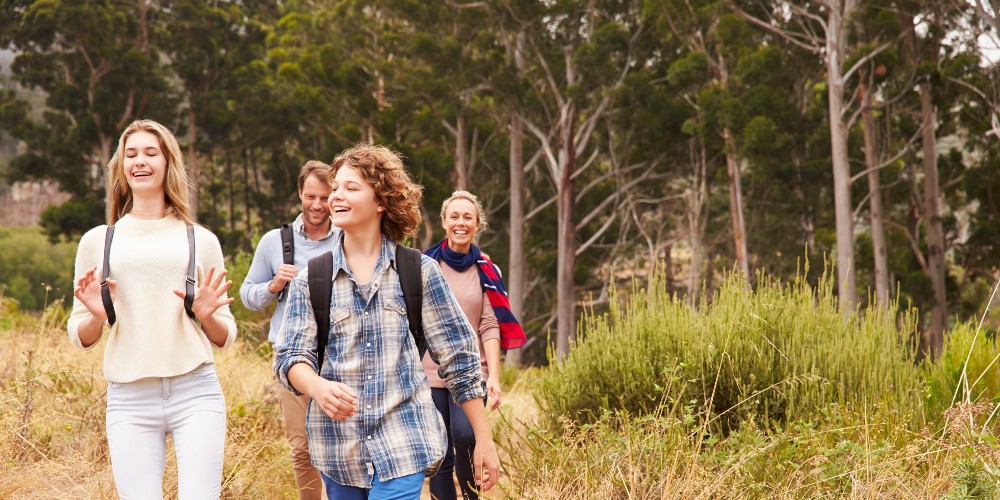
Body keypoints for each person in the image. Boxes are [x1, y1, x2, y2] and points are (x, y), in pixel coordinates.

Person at [274, 144, 501, 500]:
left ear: (380, 201)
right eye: (336, 188)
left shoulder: (419, 272)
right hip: (338, 449)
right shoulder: (311, 279)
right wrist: (317, 387)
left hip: (403, 442)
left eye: (351, 187)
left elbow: (460, 358)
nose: (336, 196)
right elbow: (289, 357)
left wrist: (483, 440)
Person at [68, 119, 237, 499]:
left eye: (150, 153)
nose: (139, 162)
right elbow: (80, 336)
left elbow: (226, 336)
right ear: (121, 167)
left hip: (195, 389)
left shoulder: (200, 239)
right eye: (131, 154)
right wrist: (96, 315)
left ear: (168, 162)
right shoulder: (99, 241)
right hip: (129, 396)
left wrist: (208, 314)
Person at [239, 160, 338, 500]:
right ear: (299, 193)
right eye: (310, 196)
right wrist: (273, 285)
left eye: (324, 197)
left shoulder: (347, 239)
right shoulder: (273, 242)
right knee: (301, 447)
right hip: (290, 357)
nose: (316, 205)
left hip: (340, 355)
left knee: (344, 446)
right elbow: (248, 296)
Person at [423, 190, 526, 500]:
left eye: (467, 217)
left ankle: (471, 496)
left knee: (466, 434)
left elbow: (490, 325)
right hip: (429, 370)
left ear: (478, 223)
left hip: (471, 371)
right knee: (439, 450)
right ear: (444, 221)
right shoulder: (425, 266)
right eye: (454, 216)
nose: (460, 222)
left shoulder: (487, 271)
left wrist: (493, 375)